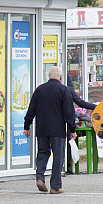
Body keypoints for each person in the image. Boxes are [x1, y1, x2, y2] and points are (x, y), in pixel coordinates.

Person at [23, 66, 76, 194]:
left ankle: (40, 178)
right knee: (58, 157)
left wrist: (27, 126)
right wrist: (72, 129)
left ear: (49, 76)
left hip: (41, 129)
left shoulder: (40, 89)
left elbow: (31, 110)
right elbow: (69, 112)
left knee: (42, 153)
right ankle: (55, 186)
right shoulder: (64, 90)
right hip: (57, 130)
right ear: (61, 77)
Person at [63, 72, 95, 175]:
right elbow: (80, 102)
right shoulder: (67, 88)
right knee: (67, 143)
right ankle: (67, 167)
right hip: (65, 120)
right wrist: (96, 107)